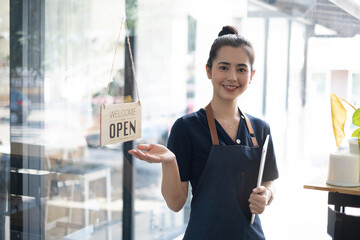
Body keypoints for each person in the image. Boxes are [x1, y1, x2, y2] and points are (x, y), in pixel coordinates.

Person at [129, 25, 279, 240]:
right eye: (224, 67)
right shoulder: (187, 128)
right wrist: (169, 161)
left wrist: (267, 194)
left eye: (241, 69)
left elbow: (269, 179)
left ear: (252, 75)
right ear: (209, 70)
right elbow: (175, 203)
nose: (232, 77)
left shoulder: (261, 129)